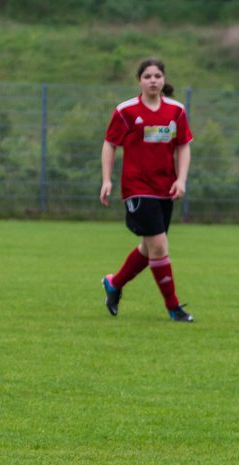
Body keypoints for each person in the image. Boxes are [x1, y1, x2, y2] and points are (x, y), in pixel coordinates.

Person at [99, 57, 195, 323]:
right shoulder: (126, 111)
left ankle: (114, 283)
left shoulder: (176, 110)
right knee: (159, 245)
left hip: (166, 186)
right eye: (147, 76)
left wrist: (181, 179)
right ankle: (174, 308)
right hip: (137, 187)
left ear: (164, 80)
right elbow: (110, 144)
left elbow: (183, 145)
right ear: (139, 81)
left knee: (149, 247)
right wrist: (107, 179)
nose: (153, 80)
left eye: (157, 76)